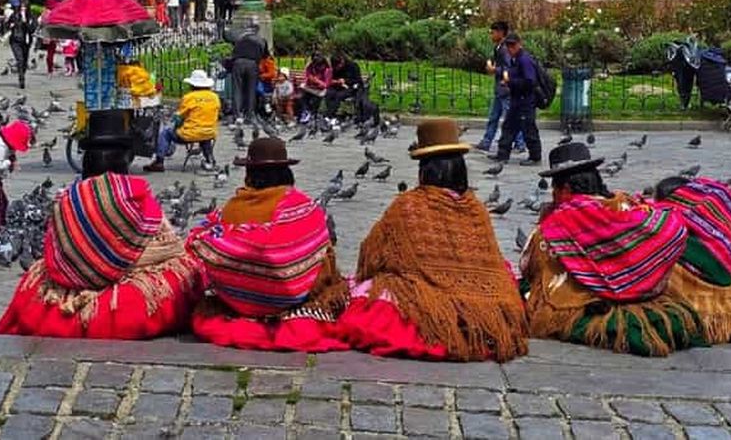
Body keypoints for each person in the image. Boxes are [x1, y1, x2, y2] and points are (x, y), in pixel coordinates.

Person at [335, 119, 528, 361]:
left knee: (374, 292)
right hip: (481, 306)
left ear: (424, 170)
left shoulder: (408, 205)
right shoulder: (476, 208)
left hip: (430, 301)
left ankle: (438, 322)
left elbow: (373, 256)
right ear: (460, 169)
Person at [0, 148, 205, 339]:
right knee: (181, 278)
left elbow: (56, 248)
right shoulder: (134, 196)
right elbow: (166, 242)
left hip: (70, 281)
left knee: (37, 289)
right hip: (120, 302)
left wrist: (87, 260)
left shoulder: (68, 200)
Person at [519, 143, 705, 356]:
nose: (553, 194)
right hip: (644, 292)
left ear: (566, 190)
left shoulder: (556, 224)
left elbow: (528, 265)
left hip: (584, 299)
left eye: (555, 189)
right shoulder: (626, 204)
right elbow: (671, 226)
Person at [186, 137, 349, 351]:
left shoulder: (233, 209)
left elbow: (199, 239)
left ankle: (250, 302)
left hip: (238, 301)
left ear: (249, 174)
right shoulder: (305, 207)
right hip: (297, 298)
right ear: (287, 173)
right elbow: (322, 248)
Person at [653, 176, 731, 344]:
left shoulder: (667, 234)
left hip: (687, 302)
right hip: (728, 300)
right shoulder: (721, 243)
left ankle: (708, 324)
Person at [145, 69, 220, 172]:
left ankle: (159, 161)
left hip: (189, 134)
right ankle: (209, 159)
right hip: (210, 133)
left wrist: (176, 124)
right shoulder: (215, 97)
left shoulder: (189, 97)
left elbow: (178, 117)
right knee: (204, 133)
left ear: (192, 85)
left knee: (166, 132)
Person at [475, 21, 525, 154]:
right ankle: (487, 141)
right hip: (500, 89)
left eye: (493, 32)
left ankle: (520, 142)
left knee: (510, 117)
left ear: (500, 32)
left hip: (505, 88)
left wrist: (494, 70)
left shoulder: (504, 48)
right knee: (494, 116)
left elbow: (509, 68)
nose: (491, 35)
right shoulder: (499, 47)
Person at [493, 33, 542, 166]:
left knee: (528, 128)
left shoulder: (524, 60)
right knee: (508, 126)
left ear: (519, 44)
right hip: (517, 99)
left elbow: (530, 81)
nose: (510, 48)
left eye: (512, 45)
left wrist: (510, 82)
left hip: (525, 100)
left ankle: (535, 156)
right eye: (508, 45)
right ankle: (502, 155)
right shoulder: (516, 60)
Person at [230, 17, 268, 122]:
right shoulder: (262, 40)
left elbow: (233, 49)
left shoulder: (240, 38)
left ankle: (237, 115)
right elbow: (265, 56)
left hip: (238, 62)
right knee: (251, 90)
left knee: (237, 89)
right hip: (252, 64)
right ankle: (250, 114)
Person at [6, 3, 36, 89]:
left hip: (26, 41)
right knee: (20, 59)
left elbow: (32, 29)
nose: (23, 9)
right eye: (21, 7)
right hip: (15, 40)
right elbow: (7, 24)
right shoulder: (14, 15)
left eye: (25, 7)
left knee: (25, 61)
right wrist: (10, 26)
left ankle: (22, 72)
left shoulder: (31, 17)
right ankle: (21, 78)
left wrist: (25, 22)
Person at [324, 53, 363, 121]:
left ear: (342, 61)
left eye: (339, 66)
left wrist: (345, 80)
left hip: (351, 87)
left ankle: (329, 115)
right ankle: (332, 113)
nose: (338, 68)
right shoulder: (335, 67)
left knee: (339, 95)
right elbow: (332, 78)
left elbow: (357, 80)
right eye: (336, 67)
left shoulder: (353, 66)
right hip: (338, 86)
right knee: (329, 93)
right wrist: (336, 81)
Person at [299, 54, 332, 124]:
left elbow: (326, 84)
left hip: (321, 90)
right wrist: (310, 79)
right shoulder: (311, 67)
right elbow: (307, 76)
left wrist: (317, 81)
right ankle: (306, 111)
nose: (318, 68)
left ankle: (313, 113)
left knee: (316, 98)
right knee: (303, 95)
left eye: (320, 66)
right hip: (311, 88)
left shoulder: (327, 70)